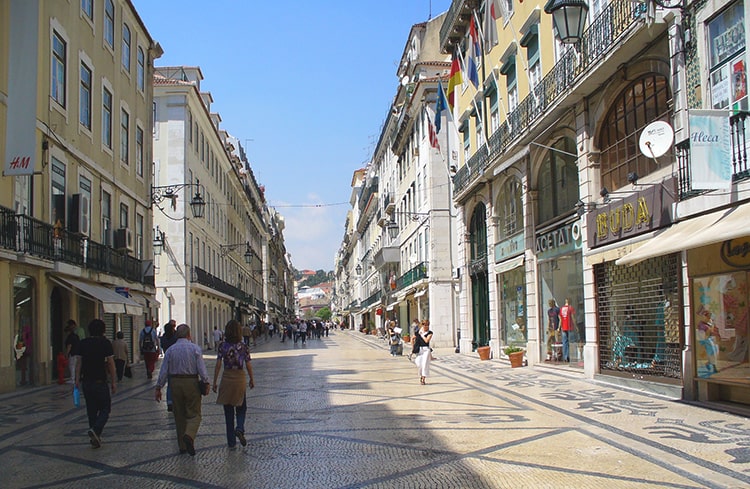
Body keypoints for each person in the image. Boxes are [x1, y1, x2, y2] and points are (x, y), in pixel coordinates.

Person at [154, 324, 210, 456]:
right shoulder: (195, 349)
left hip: (175, 383)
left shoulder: (170, 350)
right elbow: (201, 369)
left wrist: (158, 387)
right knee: (195, 413)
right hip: (191, 382)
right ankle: (189, 435)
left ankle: (182, 446)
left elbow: (163, 371)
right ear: (189, 334)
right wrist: (206, 382)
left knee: (179, 415)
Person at [74, 319, 117, 449]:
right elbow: (110, 363)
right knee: (105, 408)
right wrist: (114, 381)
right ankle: (96, 430)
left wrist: (76, 379)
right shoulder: (105, 343)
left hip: (87, 382)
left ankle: (95, 434)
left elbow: (79, 363)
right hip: (100, 381)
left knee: (91, 410)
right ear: (103, 330)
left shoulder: (83, 343)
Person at [212, 320, 255, 448]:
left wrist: (214, 381)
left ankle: (231, 443)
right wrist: (252, 379)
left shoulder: (222, 346)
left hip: (227, 377)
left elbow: (219, 363)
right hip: (240, 377)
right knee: (242, 407)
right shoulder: (243, 347)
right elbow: (248, 364)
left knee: (228, 411)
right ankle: (240, 428)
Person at [159, 321, 178, 412]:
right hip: (176, 360)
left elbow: (162, 346)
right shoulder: (175, 338)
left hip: (168, 360)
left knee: (170, 383)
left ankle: (169, 402)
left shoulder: (163, 338)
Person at [559, 298, 575, 363]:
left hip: (563, 327)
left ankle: (565, 356)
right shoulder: (571, 308)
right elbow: (573, 318)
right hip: (570, 327)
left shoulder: (561, 309)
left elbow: (560, 319)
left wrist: (559, 327)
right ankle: (570, 356)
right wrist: (576, 327)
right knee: (571, 342)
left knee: (565, 342)